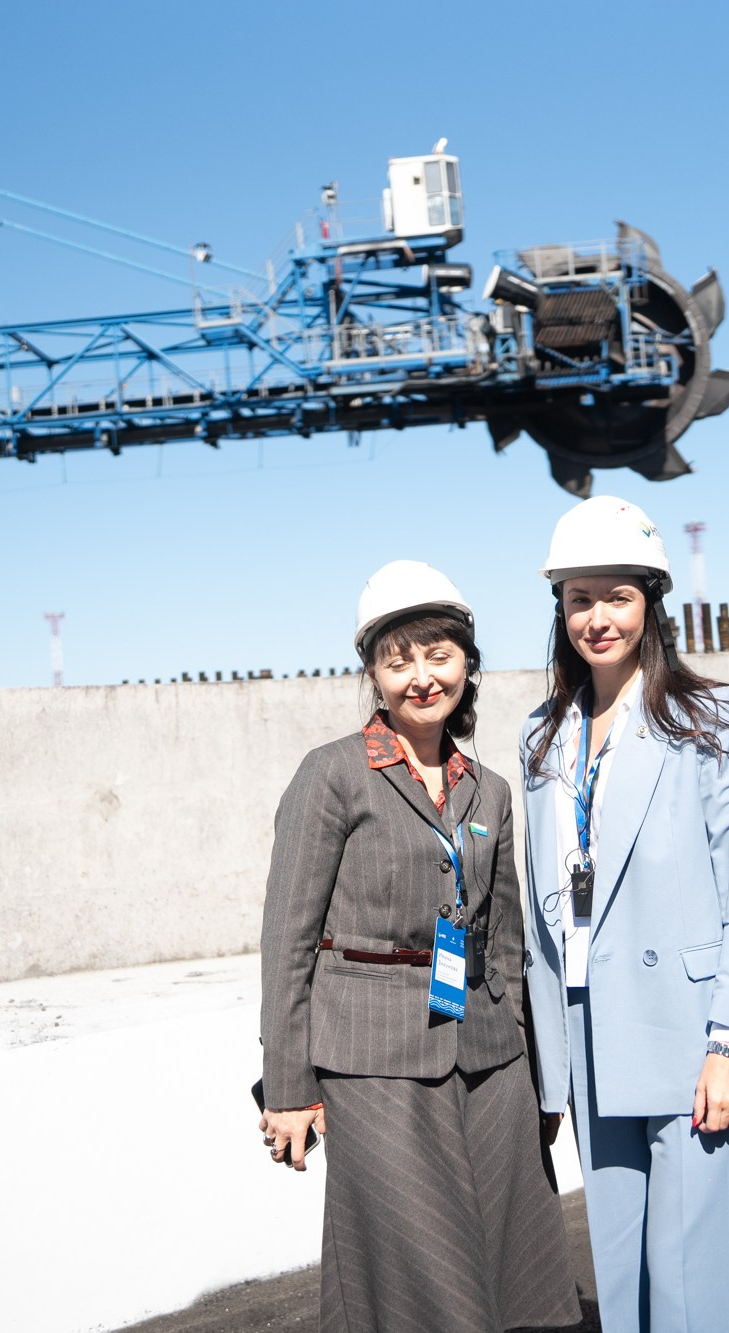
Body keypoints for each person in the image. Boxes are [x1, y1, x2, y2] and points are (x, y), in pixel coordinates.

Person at [258, 560, 579, 1333]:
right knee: (422, 1273)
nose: (422, 677)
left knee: (506, 1265)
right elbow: (287, 938)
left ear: (468, 664)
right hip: (371, 1060)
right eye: (398, 661)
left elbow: (504, 942)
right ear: (373, 673)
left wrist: (536, 1077)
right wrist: (288, 1087)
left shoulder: (489, 789)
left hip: (489, 1056)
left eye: (439, 655)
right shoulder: (333, 774)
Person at [519, 498, 729, 1333]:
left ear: (650, 601)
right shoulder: (541, 735)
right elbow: (539, 918)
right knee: (626, 1289)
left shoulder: (708, 715)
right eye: (579, 599)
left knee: (698, 1295)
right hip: (591, 1037)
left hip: (691, 1035)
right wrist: (550, 1070)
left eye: (617, 596)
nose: (597, 618)